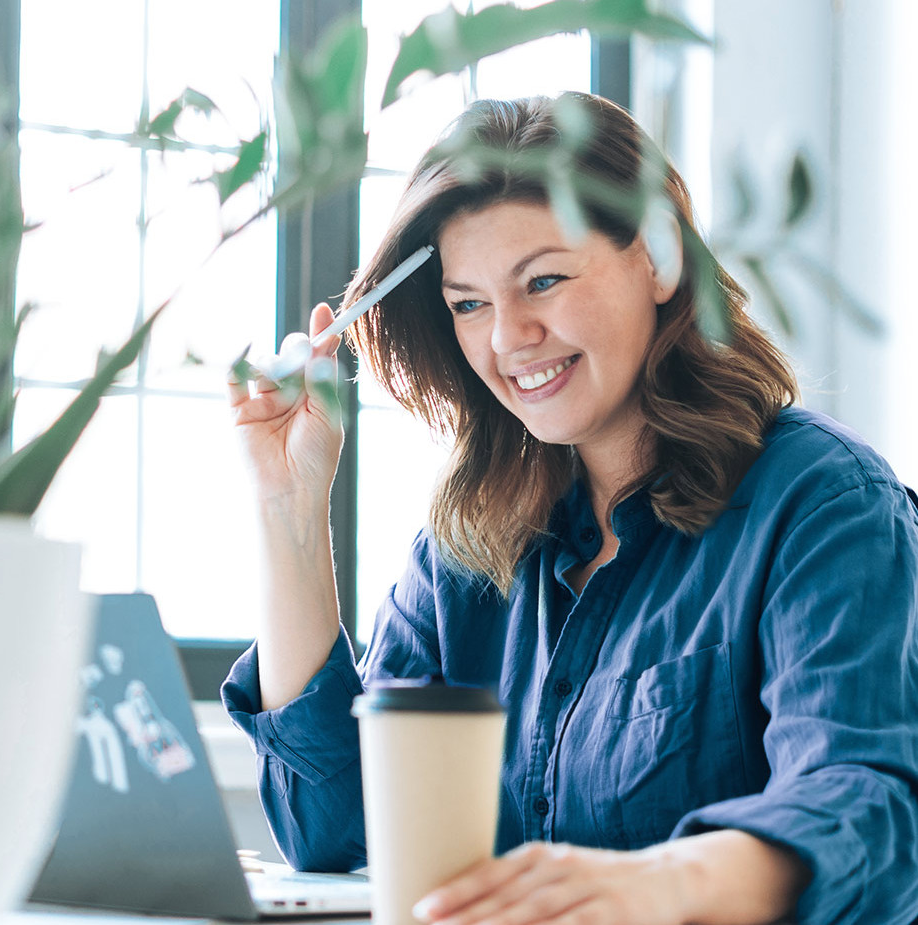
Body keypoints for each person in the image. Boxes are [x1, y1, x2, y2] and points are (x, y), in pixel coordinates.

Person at [222, 92, 918, 925]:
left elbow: (866, 815)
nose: (508, 338)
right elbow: (335, 828)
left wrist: (663, 883)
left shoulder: (823, 504)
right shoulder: (467, 543)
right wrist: (289, 509)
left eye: (542, 280)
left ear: (657, 259)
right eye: (468, 302)